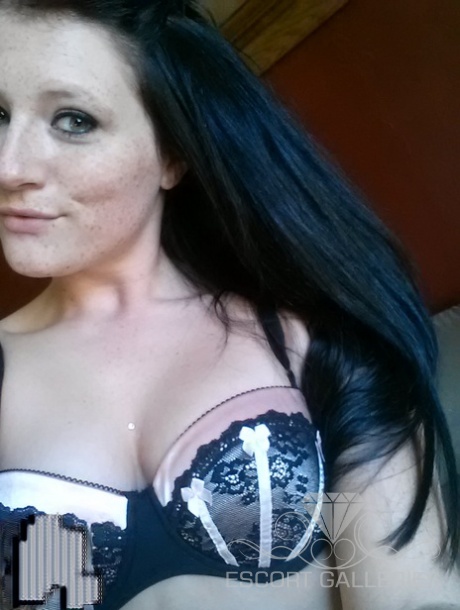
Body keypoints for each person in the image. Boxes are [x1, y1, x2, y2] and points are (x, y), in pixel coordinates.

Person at [0, 1, 458, 609]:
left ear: (171, 154)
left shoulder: (308, 335)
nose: (9, 166)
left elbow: (412, 599)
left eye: (74, 120)